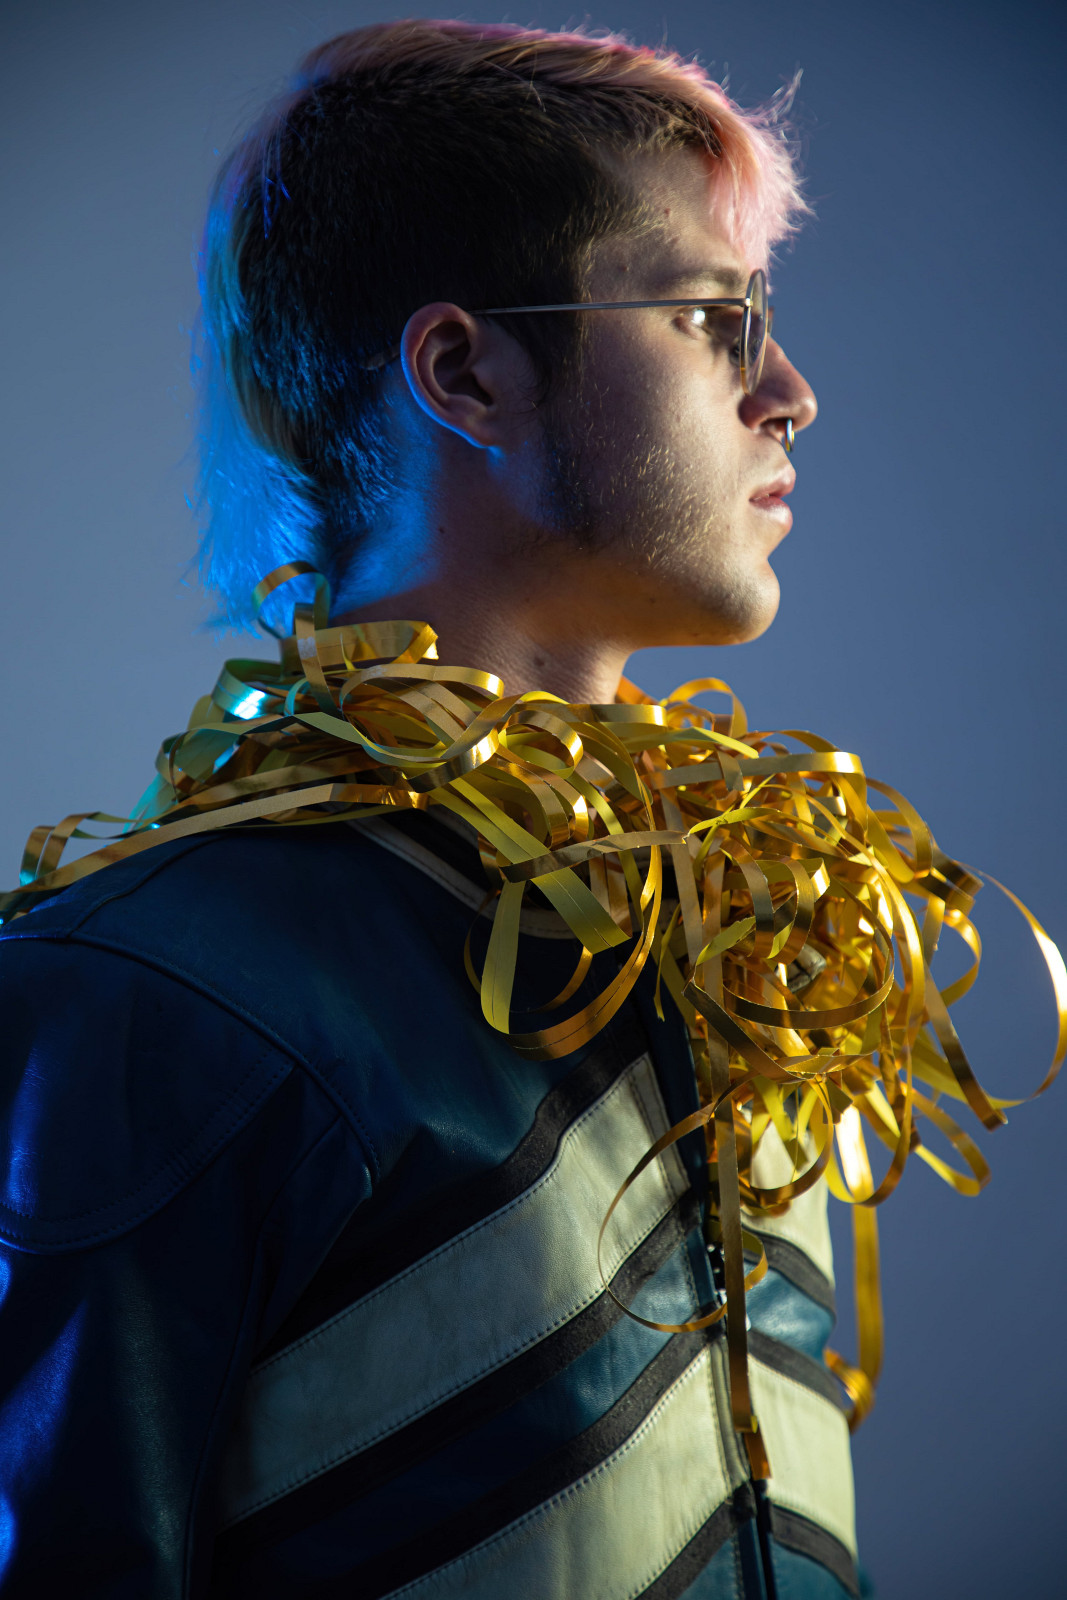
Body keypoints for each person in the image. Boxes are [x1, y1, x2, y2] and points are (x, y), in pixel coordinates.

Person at [1, 20, 881, 1598]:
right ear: (466, 371)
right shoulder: (139, 1000)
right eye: (712, 319)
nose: (791, 393)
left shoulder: (755, 963)